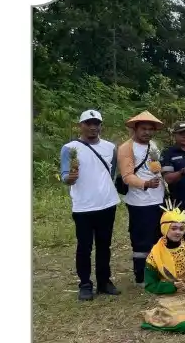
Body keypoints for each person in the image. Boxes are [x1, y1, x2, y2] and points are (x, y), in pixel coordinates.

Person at [60, 109, 121, 301]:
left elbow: (111, 173)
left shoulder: (110, 147)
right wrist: (69, 179)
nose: (93, 127)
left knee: (105, 245)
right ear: (81, 125)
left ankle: (104, 281)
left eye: (97, 123)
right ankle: (85, 284)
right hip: (83, 207)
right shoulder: (69, 148)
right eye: (88, 123)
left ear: (101, 126)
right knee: (84, 247)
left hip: (107, 203)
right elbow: (64, 176)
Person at [140, 202, 185, 333]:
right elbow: (150, 285)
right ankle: (152, 319)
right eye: (173, 228)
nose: (178, 232)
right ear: (165, 229)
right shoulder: (154, 255)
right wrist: (172, 287)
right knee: (181, 325)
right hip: (168, 297)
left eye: (181, 228)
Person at [117, 110, 166, 285]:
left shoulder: (153, 145)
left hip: (157, 198)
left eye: (150, 129)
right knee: (141, 239)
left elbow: (156, 169)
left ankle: (156, 271)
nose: (147, 132)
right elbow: (127, 175)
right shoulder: (126, 148)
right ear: (135, 129)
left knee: (157, 237)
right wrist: (145, 184)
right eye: (143, 128)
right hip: (139, 201)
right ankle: (141, 276)